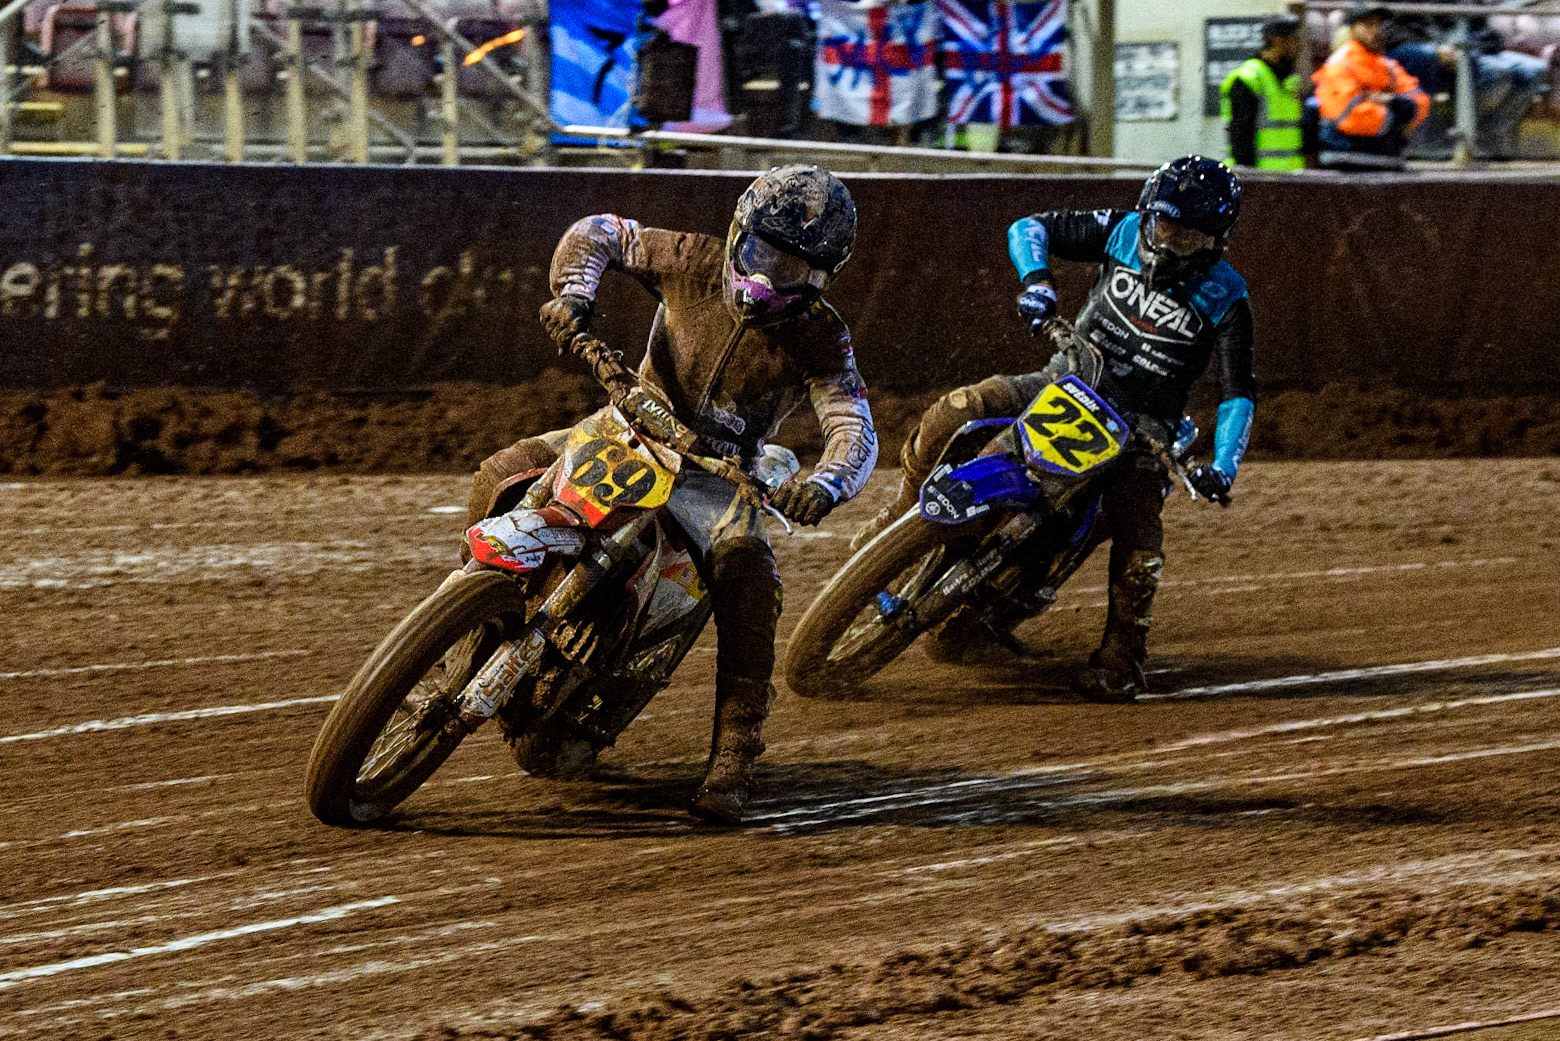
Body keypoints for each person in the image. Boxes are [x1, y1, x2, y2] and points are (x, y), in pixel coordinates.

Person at [465, 165, 878, 825]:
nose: (769, 279)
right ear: (739, 232)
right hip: (631, 422)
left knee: (750, 582)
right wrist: (575, 292)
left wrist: (825, 482)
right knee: (503, 470)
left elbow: (853, 425)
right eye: (763, 254)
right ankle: (479, 614)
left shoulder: (821, 336)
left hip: (719, 474)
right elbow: (599, 232)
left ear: (823, 278)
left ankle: (734, 753)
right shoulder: (691, 258)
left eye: (793, 270)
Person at [852, 157, 1255, 703]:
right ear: (1147, 214)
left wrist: (1224, 465)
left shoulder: (1228, 296)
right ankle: (898, 512)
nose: (1172, 241)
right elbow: (1029, 226)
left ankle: (1124, 655)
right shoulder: (1120, 230)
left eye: (1189, 236)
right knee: (958, 408)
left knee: (1139, 529)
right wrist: (1036, 282)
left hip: (1143, 427)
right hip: (1065, 375)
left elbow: (1237, 392)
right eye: (1165, 226)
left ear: (1217, 240)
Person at [1314, 3, 1430, 170]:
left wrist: (1386, 101)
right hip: (1347, 165)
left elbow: (1421, 101)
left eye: (1379, 25)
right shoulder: (1339, 65)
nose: (1376, 30)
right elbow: (1351, 117)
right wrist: (1395, 111)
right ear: (1352, 30)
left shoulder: (1388, 66)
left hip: (1389, 161)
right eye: (1368, 25)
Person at [1221, 16, 1305, 170]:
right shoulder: (1248, 79)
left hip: (1288, 181)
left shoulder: (1288, 81)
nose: (1299, 47)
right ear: (1278, 41)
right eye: (1295, 40)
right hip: (1260, 182)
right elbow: (1241, 141)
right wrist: (1252, 183)